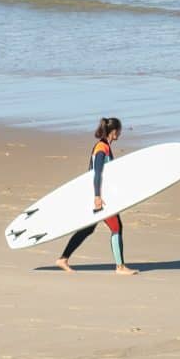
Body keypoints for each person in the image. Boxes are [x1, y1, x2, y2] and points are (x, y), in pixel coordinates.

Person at [58, 117, 135, 275]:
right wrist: (97, 197)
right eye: (119, 130)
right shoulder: (102, 147)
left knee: (88, 229)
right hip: (100, 197)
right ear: (114, 132)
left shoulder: (105, 146)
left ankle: (63, 259)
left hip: (99, 194)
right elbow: (97, 173)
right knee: (116, 227)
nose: (120, 133)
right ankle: (120, 267)